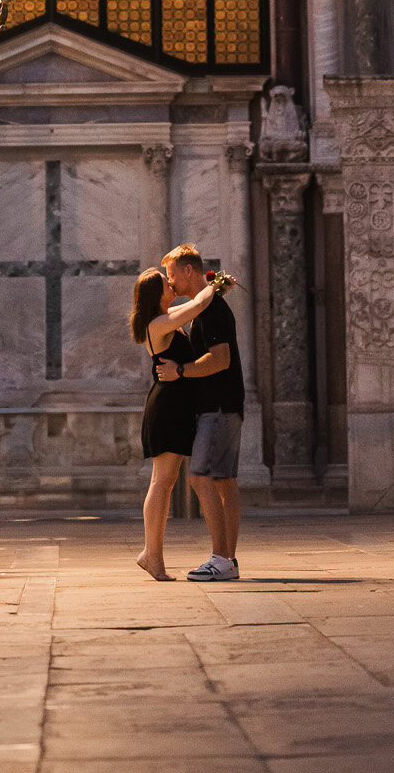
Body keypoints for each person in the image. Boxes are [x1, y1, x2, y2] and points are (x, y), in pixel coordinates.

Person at [158, 243, 244, 581]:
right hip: (225, 405)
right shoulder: (207, 307)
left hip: (218, 406)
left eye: (172, 273)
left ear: (188, 270)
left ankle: (220, 558)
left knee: (200, 477)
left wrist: (180, 371)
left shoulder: (210, 311)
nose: (171, 281)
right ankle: (228, 559)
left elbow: (220, 360)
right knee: (224, 482)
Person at [130, 264, 216, 582]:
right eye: (166, 282)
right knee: (161, 484)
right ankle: (153, 556)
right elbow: (196, 305)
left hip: (176, 407)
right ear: (157, 293)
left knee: (164, 483)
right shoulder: (158, 324)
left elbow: (191, 307)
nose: (171, 284)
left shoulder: (167, 319)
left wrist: (209, 288)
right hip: (166, 408)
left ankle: (150, 553)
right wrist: (216, 284)